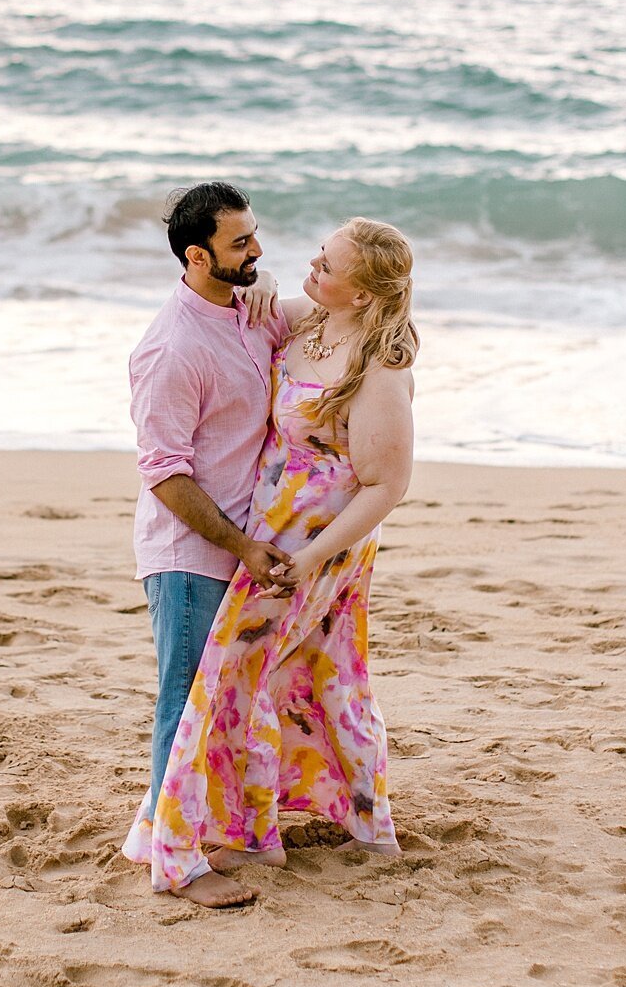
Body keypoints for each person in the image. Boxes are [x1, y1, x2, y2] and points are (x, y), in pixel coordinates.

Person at [126, 216, 418, 908]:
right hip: (269, 532)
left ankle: (259, 832)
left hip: (313, 546)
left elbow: (387, 486)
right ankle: (322, 825)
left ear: (364, 293)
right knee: (304, 673)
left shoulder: (380, 365)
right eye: (317, 255)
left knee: (260, 674)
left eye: (328, 264)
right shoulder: (307, 321)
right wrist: (276, 286)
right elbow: (252, 303)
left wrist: (312, 556)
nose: (311, 266)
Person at [123, 181, 295, 910]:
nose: (256, 250)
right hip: (189, 553)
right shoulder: (169, 349)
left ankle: (171, 832)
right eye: (239, 243)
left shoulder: (247, 310)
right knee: (184, 706)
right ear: (197, 256)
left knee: (225, 707)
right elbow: (165, 475)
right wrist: (243, 547)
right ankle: (176, 865)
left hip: (243, 550)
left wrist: (268, 285)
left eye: (256, 234)